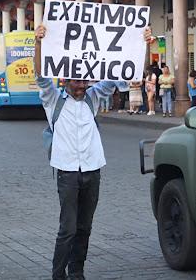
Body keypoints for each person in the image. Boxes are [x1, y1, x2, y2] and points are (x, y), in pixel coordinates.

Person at [34, 24, 155, 280]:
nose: (82, 85)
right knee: (67, 228)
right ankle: (58, 275)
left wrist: (144, 45)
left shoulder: (94, 96)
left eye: (85, 80)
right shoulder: (53, 99)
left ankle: (77, 272)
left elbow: (126, 71)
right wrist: (38, 43)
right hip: (66, 171)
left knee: (84, 227)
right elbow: (41, 77)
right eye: (77, 81)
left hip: (92, 170)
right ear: (65, 81)